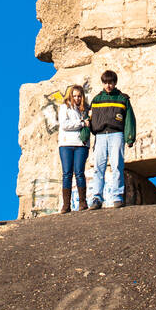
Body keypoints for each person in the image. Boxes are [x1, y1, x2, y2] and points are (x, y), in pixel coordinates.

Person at [86, 70, 136, 210]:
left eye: (111, 82)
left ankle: (117, 197)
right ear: (103, 83)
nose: (108, 85)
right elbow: (88, 120)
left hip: (117, 135)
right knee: (98, 168)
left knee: (117, 166)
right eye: (106, 82)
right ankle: (96, 198)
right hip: (100, 136)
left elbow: (129, 119)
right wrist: (85, 134)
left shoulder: (123, 99)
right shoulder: (96, 100)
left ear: (115, 83)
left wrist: (130, 136)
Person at [57, 85, 89, 214]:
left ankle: (82, 202)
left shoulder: (86, 109)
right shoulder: (65, 107)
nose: (76, 98)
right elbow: (65, 125)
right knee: (67, 174)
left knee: (80, 172)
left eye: (79, 96)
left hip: (81, 144)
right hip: (66, 144)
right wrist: (81, 123)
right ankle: (66, 205)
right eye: (74, 96)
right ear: (70, 96)